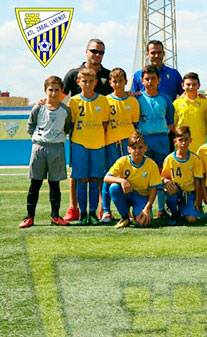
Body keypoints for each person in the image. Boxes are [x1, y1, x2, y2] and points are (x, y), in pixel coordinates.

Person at [62, 38, 112, 222]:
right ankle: (75, 208)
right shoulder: (72, 79)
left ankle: (100, 209)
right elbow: (61, 101)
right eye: (94, 51)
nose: (97, 55)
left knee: (98, 176)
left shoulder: (106, 81)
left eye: (101, 52)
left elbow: (106, 121)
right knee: (79, 176)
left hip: (99, 141)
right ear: (86, 52)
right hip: (80, 141)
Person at [19, 76, 72, 228]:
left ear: (62, 91)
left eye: (57, 90)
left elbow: (67, 128)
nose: (54, 93)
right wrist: (39, 138)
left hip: (57, 149)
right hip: (39, 148)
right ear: (45, 91)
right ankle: (30, 217)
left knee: (54, 184)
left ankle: (55, 216)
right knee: (35, 183)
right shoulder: (38, 108)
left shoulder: (65, 110)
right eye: (50, 90)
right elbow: (30, 126)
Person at [68, 68, 110, 224]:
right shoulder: (74, 101)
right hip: (79, 144)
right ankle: (82, 213)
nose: (87, 84)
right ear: (79, 82)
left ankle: (92, 212)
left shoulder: (103, 101)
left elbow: (105, 124)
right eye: (84, 81)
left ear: (96, 83)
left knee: (95, 178)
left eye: (91, 81)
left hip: (98, 144)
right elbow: (71, 123)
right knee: (82, 179)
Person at [101, 68, 140, 223]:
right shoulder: (105, 101)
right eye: (114, 81)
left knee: (128, 175)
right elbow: (104, 124)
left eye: (120, 81)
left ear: (125, 82)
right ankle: (105, 210)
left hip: (128, 144)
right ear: (110, 83)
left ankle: (127, 209)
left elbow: (135, 124)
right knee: (110, 175)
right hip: (111, 142)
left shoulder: (132, 101)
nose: (118, 84)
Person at [136, 65, 175, 219]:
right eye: (147, 79)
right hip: (144, 139)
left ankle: (161, 209)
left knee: (162, 174)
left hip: (161, 139)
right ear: (142, 81)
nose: (150, 82)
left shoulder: (165, 99)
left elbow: (171, 123)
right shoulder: (137, 99)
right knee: (146, 175)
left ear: (159, 80)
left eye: (153, 78)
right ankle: (146, 209)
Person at [104, 132, 161, 229]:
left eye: (140, 147)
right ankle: (125, 217)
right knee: (114, 187)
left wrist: (147, 208)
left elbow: (153, 189)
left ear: (145, 148)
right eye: (134, 148)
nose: (137, 151)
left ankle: (137, 213)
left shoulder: (151, 165)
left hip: (142, 197)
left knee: (143, 223)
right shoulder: (123, 161)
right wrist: (122, 181)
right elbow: (106, 178)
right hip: (127, 194)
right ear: (128, 149)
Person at [161, 126, 207, 225]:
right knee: (171, 190)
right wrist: (167, 182)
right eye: (180, 140)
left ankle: (184, 211)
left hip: (189, 193)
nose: (183, 143)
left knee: (191, 220)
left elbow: (198, 180)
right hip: (176, 191)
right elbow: (163, 177)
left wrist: (197, 200)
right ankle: (174, 213)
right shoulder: (169, 159)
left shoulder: (195, 159)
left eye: (186, 140)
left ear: (190, 140)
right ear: (175, 141)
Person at [172, 72, 207, 153]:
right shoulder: (176, 103)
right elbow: (172, 125)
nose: (191, 87)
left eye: (194, 84)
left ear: (199, 85)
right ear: (182, 85)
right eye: (188, 84)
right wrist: (181, 137)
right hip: (182, 146)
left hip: (201, 146)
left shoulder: (205, 102)